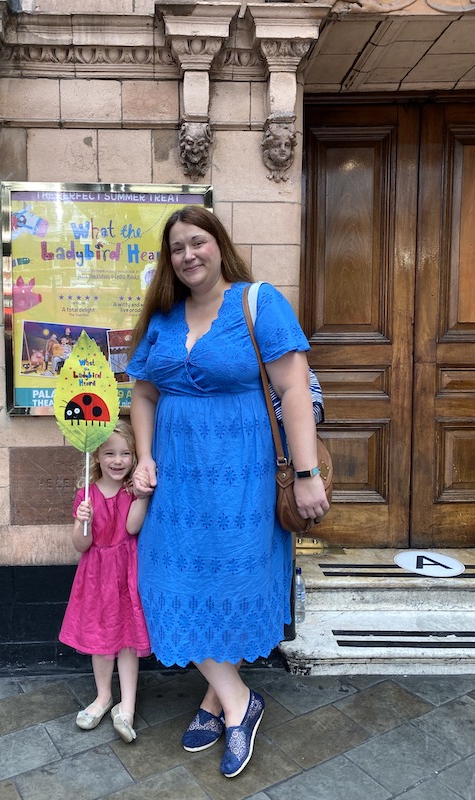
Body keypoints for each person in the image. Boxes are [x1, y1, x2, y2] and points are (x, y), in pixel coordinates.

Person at [127, 205, 329, 778]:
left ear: (219, 244)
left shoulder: (258, 302)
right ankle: (241, 699)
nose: (188, 255)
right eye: (176, 248)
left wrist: (308, 473)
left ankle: (219, 700)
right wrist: (144, 458)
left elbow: (293, 388)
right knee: (163, 581)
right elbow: (142, 394)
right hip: (177, 478)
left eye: (198, 242)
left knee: (236, 577)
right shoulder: (162, 316)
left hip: (242, 473)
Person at [58, 420, 151, 743]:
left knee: (127, 639)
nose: (117, 460)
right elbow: (81, 546)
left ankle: (127, 705)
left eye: (126, 453)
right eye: (110, 452)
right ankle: (102, 697)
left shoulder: (130, 491)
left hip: (126, 572)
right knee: (100, 639)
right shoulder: (86, 494)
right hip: (97, 576)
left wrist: (141, 498)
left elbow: (132, 528)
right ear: (96, 455)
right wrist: (81, 522)